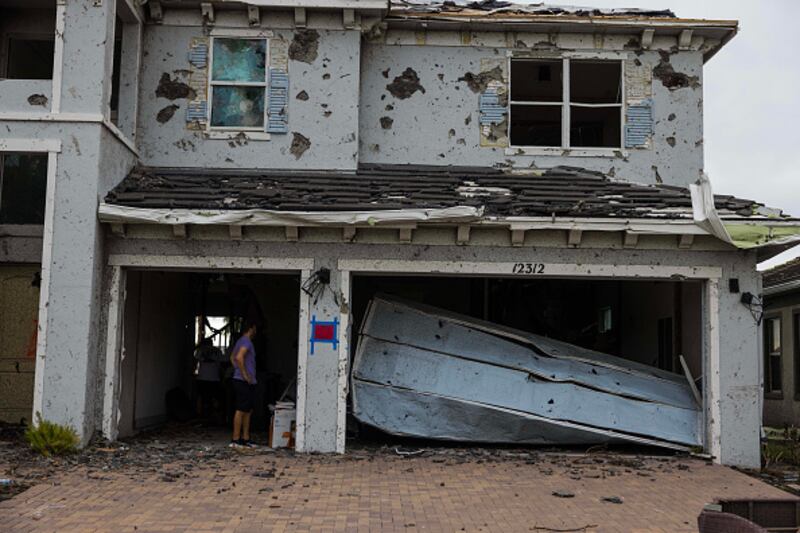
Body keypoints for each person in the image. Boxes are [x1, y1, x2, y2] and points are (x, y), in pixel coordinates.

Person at [230, 321, 258, 448]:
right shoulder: (246, 342)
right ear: (251, 328)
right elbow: (239, 357)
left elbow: (232, 357)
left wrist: (237, 369)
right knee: (241, 409)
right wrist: (244, 374)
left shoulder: (240, 341)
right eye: (255, 328)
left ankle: (245, 438)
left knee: (248, 409)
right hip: (243, 380)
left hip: (244, 380)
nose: (256, 331)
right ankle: (236, 438)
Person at [193, 337, 225, 421]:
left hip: (202, 377)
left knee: (202, 397)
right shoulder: (218, 351)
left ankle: (201, 415)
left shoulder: (200, 350)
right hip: (214, 378)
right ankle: (214, 416)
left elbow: (195, 360)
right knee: (214, 398)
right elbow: (222, 364)